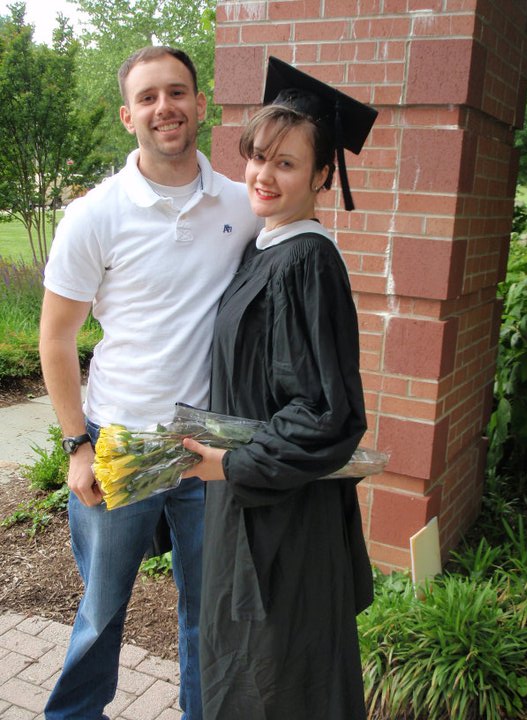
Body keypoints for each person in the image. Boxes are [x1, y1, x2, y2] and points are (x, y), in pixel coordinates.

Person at [39, 46, 261, 720]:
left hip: (203, 448)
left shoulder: (240, 204)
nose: (164, 107)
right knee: (103, 610)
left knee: (207, 614)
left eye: (177, 92)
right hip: (118, 441)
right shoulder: (95, 215)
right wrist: (77, 444)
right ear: (127, 114)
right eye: (147, 97)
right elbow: (56, 338)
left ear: (200, 102)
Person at [182, 57, 378, 720]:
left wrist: (232, 464)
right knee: (243, 667)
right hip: (249, 506)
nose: (264, 175)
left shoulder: (306, 261)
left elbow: (326, 413)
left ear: (324, 175)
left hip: (283, 520)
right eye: (259, 156)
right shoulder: (265, 246)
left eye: (287, 163)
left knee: (275, 681)